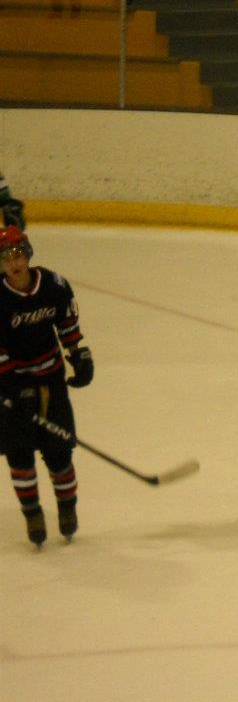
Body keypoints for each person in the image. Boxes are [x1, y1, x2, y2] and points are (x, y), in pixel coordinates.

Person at [0, 226, 94, 547]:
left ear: (27, 253)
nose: (13, 263)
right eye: (5, 257)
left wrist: (79, 357)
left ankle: (67, 509)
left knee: (59, 451)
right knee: (19, 456)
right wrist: (12, 386)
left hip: (50, 380)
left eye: (17, 254)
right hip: (10, 386)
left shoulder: (54, 286)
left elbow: (68, 324)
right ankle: (32, 513)